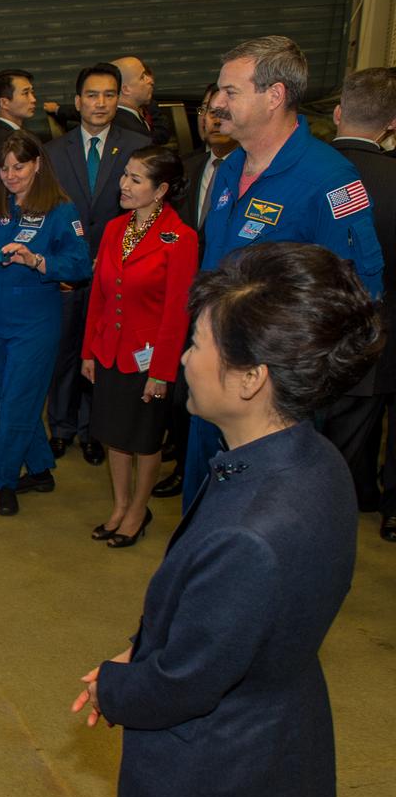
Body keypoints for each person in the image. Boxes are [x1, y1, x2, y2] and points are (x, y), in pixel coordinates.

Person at [72, 242, 384, 797]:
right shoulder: (310, 459)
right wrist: (151, 639)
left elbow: (186, 681)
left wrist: (117, 685)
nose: (182, 356)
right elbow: (233, 624)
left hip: (205, 785)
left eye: (198, 342)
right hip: (257, 758)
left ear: (250, 378)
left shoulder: (252, 532)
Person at [180, 35, 384, 508]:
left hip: (270, 397)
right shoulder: (231, 168)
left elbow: (359, 294)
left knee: (257, 514)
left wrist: (291, 374)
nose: (217, 103)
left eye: (231, 92)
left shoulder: (331, 180)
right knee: (204, 502)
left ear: (274, 96)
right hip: (213, 373)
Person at [0, 131, 91, 516]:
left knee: (16, 402)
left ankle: (5, 480)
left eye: (19, 166)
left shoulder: (60, 210)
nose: (11, 175)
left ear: (37, 165)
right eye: (4, 168)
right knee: (10, 396)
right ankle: (41, 468)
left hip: (37, 320)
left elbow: (80, 264)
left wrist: (36, 260)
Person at [81, 148, 198, 547]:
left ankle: (137, 510)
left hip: (149, 361)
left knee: (144, 441)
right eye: (124, 176)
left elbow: (176, 313)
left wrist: (162, 372)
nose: (124, 185)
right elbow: (98, 295)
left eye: (135, 179)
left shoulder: (181, 239)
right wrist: (88, 351)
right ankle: (119, 505)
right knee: (115, 435)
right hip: (110, 351)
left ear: (161, 189)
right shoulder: (115, 228)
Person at [43, 64, 151, 467]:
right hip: (67, 275)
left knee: (102, 355)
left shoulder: (138, 145)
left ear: (118, 98)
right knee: (64, 352)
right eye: (92, 95)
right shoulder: (53, 151)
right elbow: (46, 213)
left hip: (115, 273)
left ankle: (92, 431)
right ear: (77, 102)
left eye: (108, 95)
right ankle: (62, 427)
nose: (100, 103)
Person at [153, 83, 239, 500]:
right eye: (207, 110)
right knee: (182, 390)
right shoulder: (184, 168)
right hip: (180, 301)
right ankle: (184, 467)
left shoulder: (248, 173)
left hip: (226, 306)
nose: (214, 118)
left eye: (223, 110)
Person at [325, 67, 396, 539]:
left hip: (311, 331)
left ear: (336, 113)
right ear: (390, 125)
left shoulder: (302, 172)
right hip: (384, 328)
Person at [0, 69, 37, 169]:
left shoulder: (16, 133)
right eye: (25, 93)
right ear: (4, 103)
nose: (33, 99)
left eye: (32, 92)